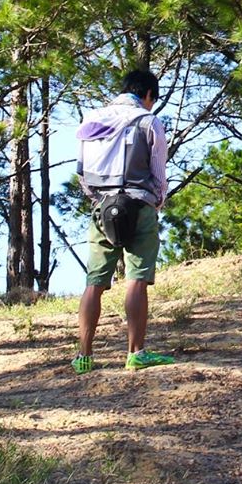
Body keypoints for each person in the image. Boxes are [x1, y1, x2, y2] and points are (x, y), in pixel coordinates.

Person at [73, 69, 175, 373]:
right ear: (147, 95)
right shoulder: (148, 121)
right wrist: (156, 200)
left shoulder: (92, 119)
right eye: (151, 99)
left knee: (95, 282)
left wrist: (97, 198)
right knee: (137, 279)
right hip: (139, 203)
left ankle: (84, 356)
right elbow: (159, 171)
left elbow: (81, 170)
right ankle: (135, 353)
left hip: (102, 207)